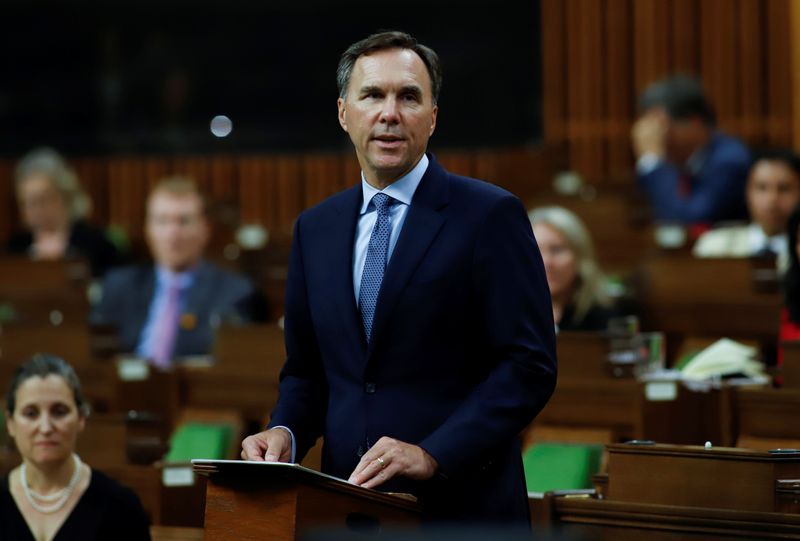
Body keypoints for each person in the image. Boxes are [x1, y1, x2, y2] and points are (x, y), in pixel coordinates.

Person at [241, 31, 557, 524]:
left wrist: (434, 452)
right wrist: (285, 430)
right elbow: (308, 372)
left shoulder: (489, 215)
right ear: (345, 113)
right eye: (372, 95)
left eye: (409, 96)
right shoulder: (315, 229)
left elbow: (528, 366)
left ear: (432, 117)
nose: (390, 113)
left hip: (462, 506)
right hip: (348, 504)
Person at [92, 177, 264, 367]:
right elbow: (95, 352)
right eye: (162, 221)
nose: (172, 233)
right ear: (147, 229)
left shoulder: (234, 292)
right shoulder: (120, 285)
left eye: (183, 221)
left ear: (205, 229)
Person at [1, 354, 151, 540]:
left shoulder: (121, 507)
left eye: (59, 412)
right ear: (10, 423)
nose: (46, 427)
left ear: (81, 418)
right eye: (31, 413)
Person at [632, 75, 751, 227]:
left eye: (660, 127)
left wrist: (653, 160)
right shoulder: (677, 162)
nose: (654, 136)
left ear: (694, 123)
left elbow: (690, 220)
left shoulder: (729, 161)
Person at [8, 148, 122, 277]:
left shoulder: (96, 245)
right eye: (27, 202)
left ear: (65, 196)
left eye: (42, 199)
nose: (35, 209)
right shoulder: (14, 249)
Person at [693, 148, 800, 272]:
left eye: (784, 188)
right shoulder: (714, 246)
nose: (772, 199)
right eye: (761, 188)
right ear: (747, 192)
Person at [529, 206, 614, 332]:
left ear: (580, 256)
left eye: (557, 249)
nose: (546, 262)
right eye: (536, 251)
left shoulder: (606, 320)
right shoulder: (502, 316)